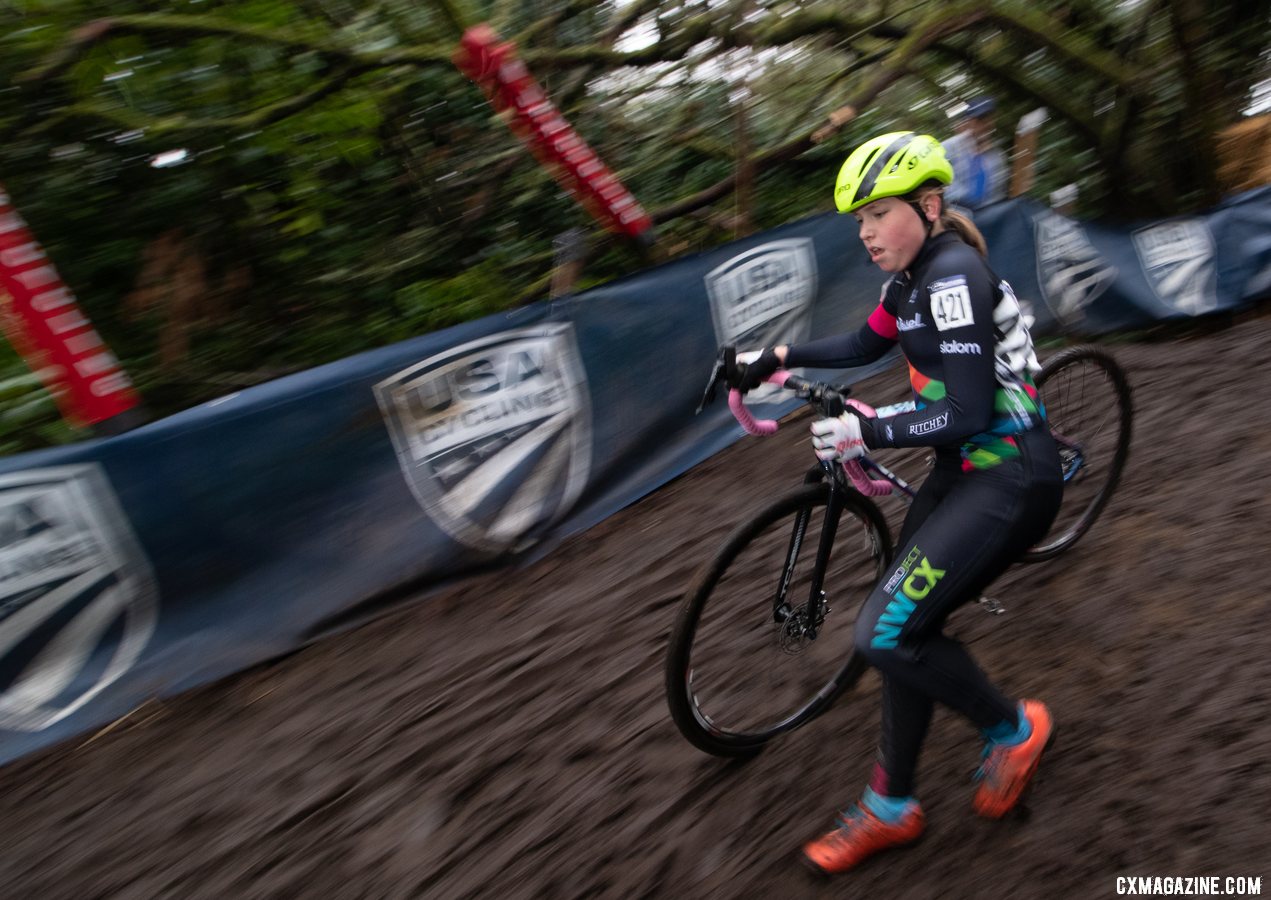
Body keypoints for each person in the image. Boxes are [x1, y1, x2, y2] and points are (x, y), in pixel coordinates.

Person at [735, 131, 1064, 876]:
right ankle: (891, 807)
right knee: (901, 627)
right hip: (963, 473)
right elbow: (862, 343)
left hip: (1007, 474)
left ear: (928, 203)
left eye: (876, 213)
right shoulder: (908, 282)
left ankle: (1011, 729)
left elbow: (970, 412)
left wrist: (869, 428)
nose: (864, 232)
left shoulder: (950, 277)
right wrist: (781, 356)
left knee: (881, 634)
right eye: (856, 220)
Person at [942, 97, 1007, 211]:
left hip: (988, 217)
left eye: (989, 119)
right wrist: (968, 200)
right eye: (981, 120)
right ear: (970, 121)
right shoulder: (949, 147)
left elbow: (998, 193)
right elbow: (941, 183)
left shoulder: (997, 156)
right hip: (955, 216)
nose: (986, 125)